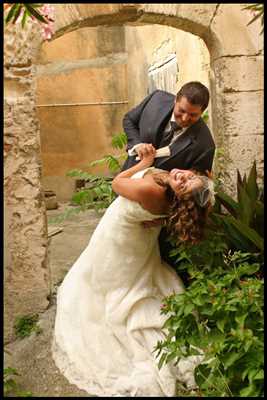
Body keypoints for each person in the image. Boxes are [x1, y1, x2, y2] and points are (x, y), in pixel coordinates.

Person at [52, 146, 215, 397]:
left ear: (180, 197)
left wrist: (145, 162)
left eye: (185, 185)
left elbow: (116, 184)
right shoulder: (172, 198)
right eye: (190, 177)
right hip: (138, 240)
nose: (182, 177)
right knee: (135, 278)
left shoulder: (150, 189)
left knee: (105, 286)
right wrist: (161, 219)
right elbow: (176, 210)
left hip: (118, 238)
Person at [121, 81, 216, 281]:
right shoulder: (156, 99)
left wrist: (166, 218)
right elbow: (129, 120)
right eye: (181, 111)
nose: (184, 118)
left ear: (202, 112)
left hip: (154, 209)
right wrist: (136, 143)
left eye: (193, 115)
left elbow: (195, 192)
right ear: (175, 99)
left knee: (151, 263)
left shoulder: (205, 144)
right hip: (127, 183)